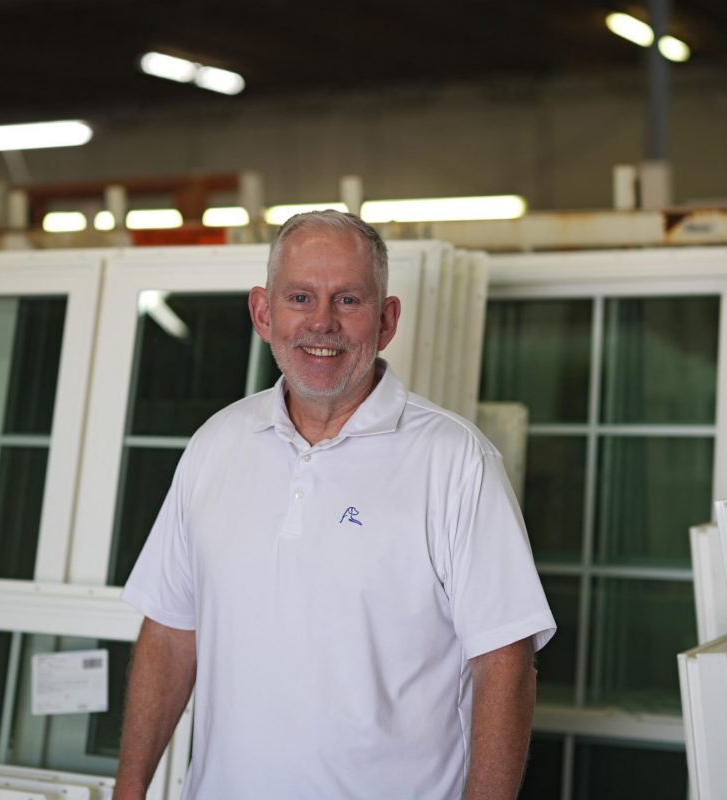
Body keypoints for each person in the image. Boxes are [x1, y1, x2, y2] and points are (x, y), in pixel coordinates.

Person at [115, 210, 556, 800]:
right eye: (300, 297)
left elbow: (504, 661)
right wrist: (129, 787)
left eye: (347, 300)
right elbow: (171, 632)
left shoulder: (456, 462)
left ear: (387, 318)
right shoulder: (215, 445)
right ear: (263, 314)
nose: (321, 323)